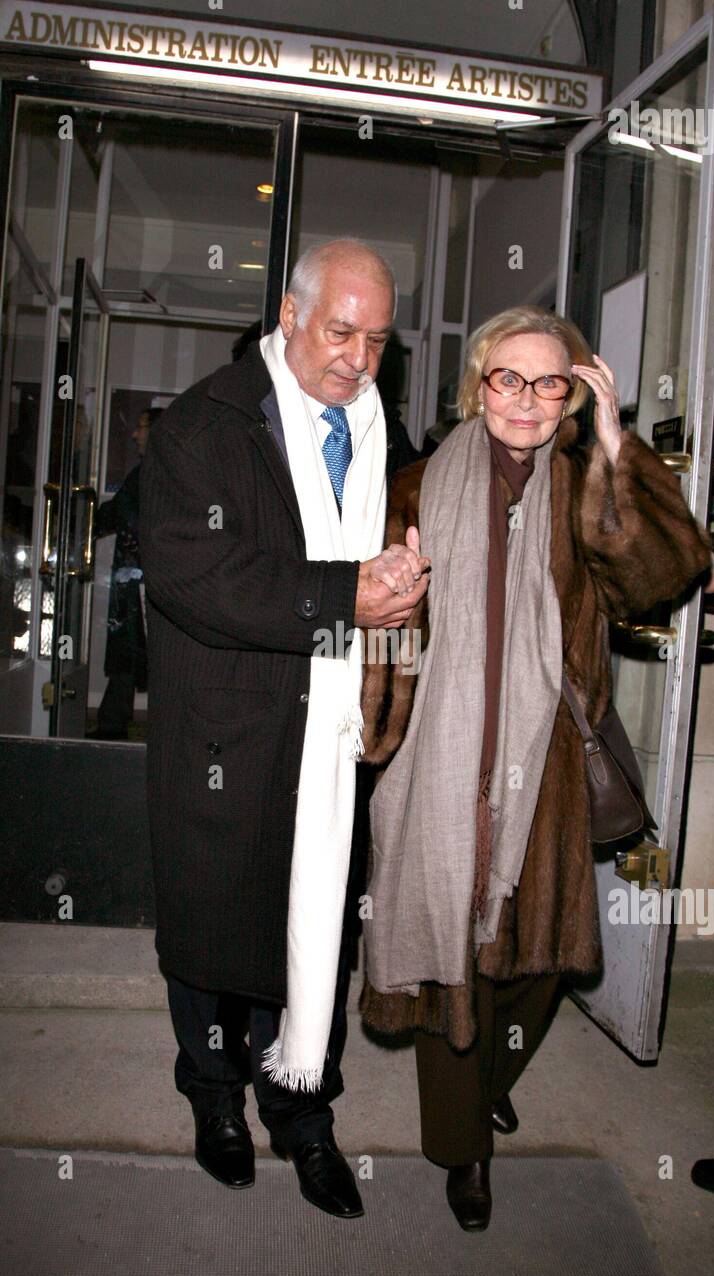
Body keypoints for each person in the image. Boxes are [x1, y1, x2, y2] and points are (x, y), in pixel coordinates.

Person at [358, 304, 713, 1231]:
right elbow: (382, 630)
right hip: (439, 756)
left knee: (540, 963)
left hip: (546, 760)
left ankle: (492, 1079)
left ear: (572, 394)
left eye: (548, 382)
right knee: (453, 964)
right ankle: (463, 1151)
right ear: (479, 386)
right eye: (506, 378)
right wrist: (379, 728)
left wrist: (612, 443)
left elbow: (658, 576)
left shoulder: (585, 484)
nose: (524, 398)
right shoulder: (414, 486)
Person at [138, 239, 430, 1219]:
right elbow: (200, 579)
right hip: (228, 735)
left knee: (310, 932)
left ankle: (303, 1115)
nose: (356, 358)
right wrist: (348, 594)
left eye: (376, 341)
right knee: (217, 933)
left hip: (327, 740)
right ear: (290, 319)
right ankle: (216, 1100)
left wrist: (391, 577)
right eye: (340, 331)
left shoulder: (379, 429)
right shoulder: (202, 426)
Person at [94, 408, 162, 740]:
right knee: (131, 651)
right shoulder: (157, 470)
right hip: (140, 579)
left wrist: (80, 517)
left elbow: (119, 515)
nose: (136, 434)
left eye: (141, 426)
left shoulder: (148, 472)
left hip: (137, 579)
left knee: (130, 651)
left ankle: (112, 724)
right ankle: (113, 720)